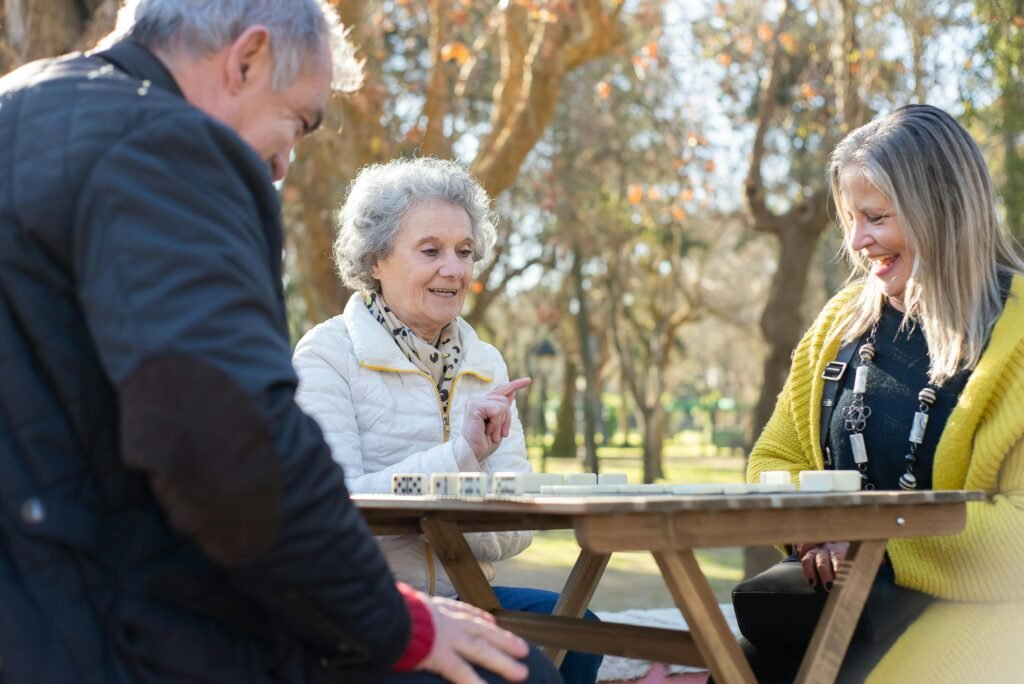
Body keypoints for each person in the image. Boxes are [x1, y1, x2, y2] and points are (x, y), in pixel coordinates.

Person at [0, 1, 561, 682]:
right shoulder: (170, 146)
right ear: (247, 59)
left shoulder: (20, 104)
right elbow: (230, 444)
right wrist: (396, 622)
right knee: (515, 665)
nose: (283, 165)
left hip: (44, 598)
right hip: (101, 623)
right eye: (297, 121)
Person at [292, 157, 603, 684]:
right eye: (430, 250)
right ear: (375, 260)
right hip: (364, 609)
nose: (454, 269)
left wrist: (463, 516)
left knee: (576, 633)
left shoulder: (486, 363)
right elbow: (331, 511)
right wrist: (461, 458)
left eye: (464, 252)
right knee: (530, 670)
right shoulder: (326, 355)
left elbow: (515, 532)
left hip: (465, 593)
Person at [745, 104, 1024, 681]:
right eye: (849, 217)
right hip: (841, 606)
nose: (856, 240)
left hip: (987, 614)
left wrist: (879, 547)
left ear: (940, 211)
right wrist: (812, 525)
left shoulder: (1015, 338)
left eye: (874, 217)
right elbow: (772, 459)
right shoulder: (837, 324)